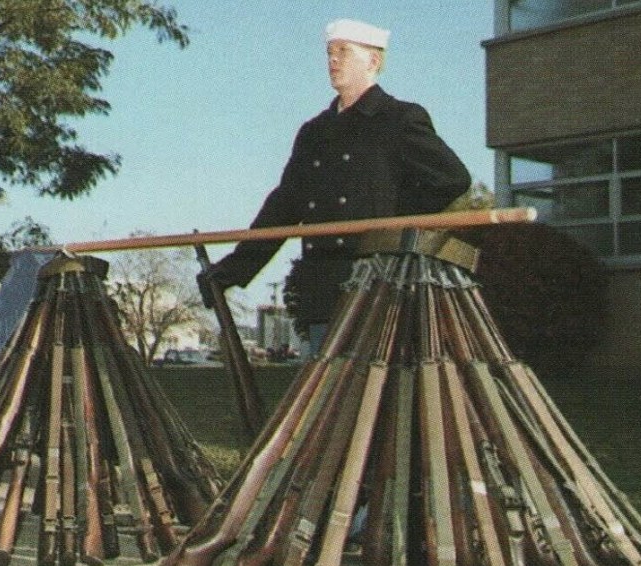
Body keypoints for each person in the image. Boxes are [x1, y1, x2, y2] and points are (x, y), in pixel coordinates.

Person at [199, 18, 471, 352]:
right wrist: (233, 269)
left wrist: (386, 220)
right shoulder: (314, 132)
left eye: (344, 51)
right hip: (323, 289)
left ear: (373, 61)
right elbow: (284, 206)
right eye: (329, 52)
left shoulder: (398, 119)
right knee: (322, 396)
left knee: (374, 399)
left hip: (378, 285)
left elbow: (451, 179)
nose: (333, 60)